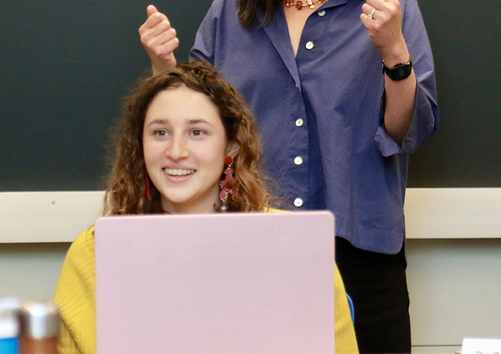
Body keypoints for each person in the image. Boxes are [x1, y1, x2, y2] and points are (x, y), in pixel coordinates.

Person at [137, 0, 438, 353]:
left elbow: (408, 131)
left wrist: (393, 51)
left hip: (361, 252)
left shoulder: (392, 3)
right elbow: (197, 133)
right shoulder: (228, 16)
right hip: (247, 248)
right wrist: (164, 67)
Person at [54, 61, 358, 354]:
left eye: (197, 132)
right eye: (160, 132)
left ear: (231, 146)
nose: (175, 151)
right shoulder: (93, 255)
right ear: (140, 145)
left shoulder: (296, 248)